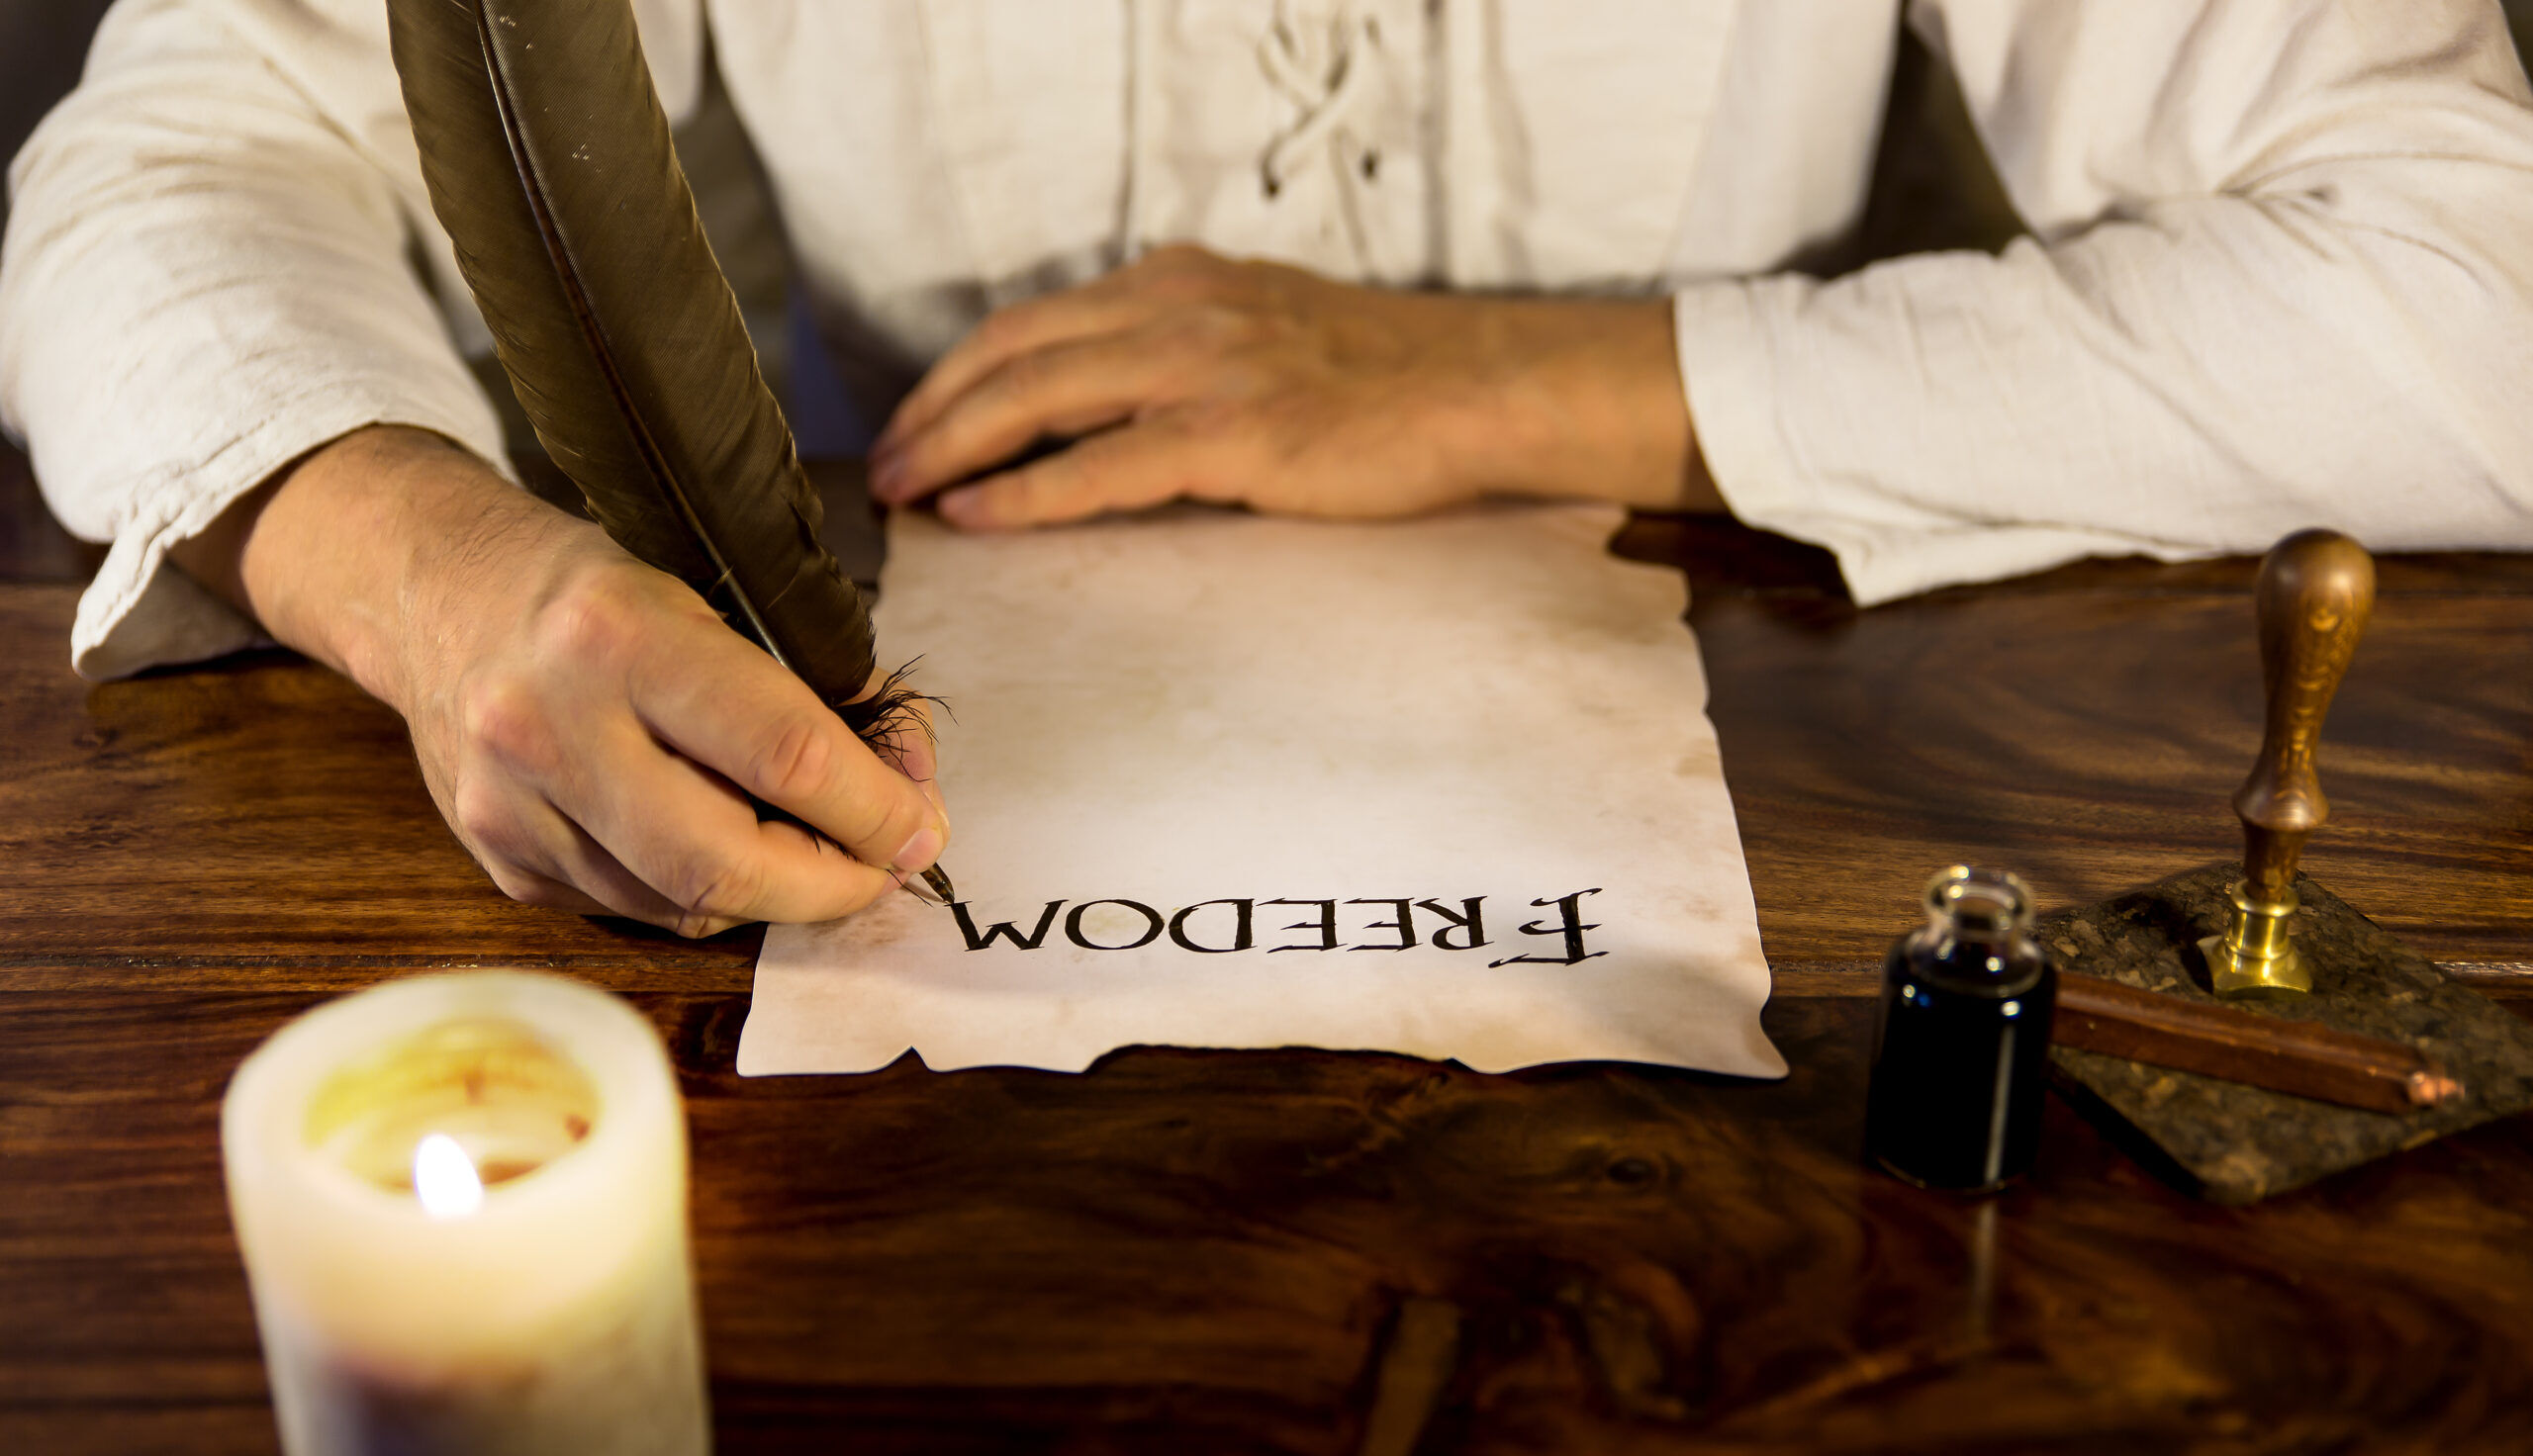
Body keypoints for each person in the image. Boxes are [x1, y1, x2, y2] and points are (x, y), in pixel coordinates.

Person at [5, 0, 2531, 937]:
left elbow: (2480, 295)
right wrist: (419, 564)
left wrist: (1527, 375)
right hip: (886, 807)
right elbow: (187, 144)